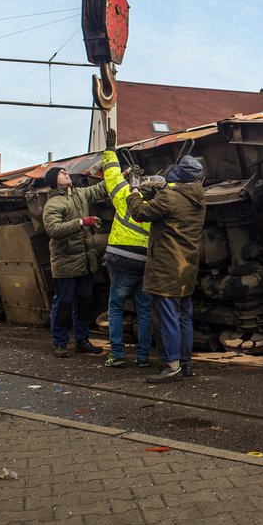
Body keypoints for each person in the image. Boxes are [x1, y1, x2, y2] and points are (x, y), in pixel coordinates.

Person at [126, 154, 206, 383]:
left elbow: (140, 213)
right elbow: (167, 206)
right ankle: (185, 362)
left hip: (166, 267)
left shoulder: (170, 197)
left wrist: (134, 191)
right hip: (186, 267)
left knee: (167, 317)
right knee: (183, 316)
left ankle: (171, 366)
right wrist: (158, 190)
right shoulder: (198, 198)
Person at [42, 165, 109, 358]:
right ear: (54, 181)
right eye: (61, 173)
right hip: (66, 262)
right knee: (63, 305)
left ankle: (82, 341)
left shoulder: (79, 194)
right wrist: (82, 222)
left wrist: (120, 174)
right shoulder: (53, 204)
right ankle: (60, 343)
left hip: (84, 261)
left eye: (66, 172)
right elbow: (53, 229)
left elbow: (99, 189)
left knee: (84, 303)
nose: (66, 174)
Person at [100, 127, 153, 368]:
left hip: (121, 260)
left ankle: (118, 355)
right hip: (144, 262)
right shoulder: (158, 201)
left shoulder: (123, 195)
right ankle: (143, 358)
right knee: (144, 310)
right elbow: (177, 186)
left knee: (115, 307)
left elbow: (111, 176)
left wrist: (110, 151)